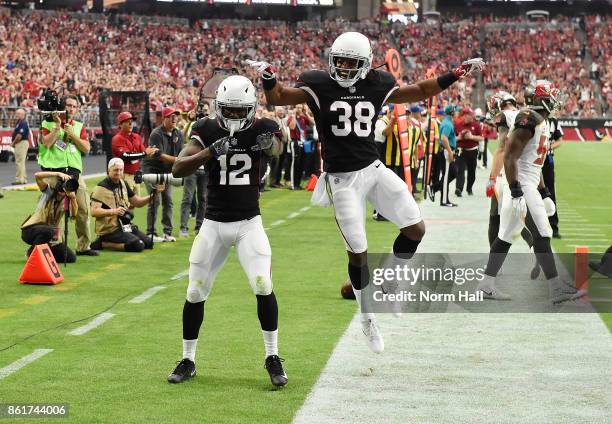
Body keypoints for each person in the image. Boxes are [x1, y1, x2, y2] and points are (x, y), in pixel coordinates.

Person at [248, 31, 485, 353]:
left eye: (351, 62)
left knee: (415, 228)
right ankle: (367, 317)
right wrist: (268, 77)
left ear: (366, 64)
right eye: (339, 61)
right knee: (358, 251)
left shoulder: (378, 82)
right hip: (341, 178)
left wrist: (454, 74)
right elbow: (278, 97)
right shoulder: (318, 83)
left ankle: (390, 279)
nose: (344, 68)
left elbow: (418, 90)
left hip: (372, 169)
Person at [168, 75, 287, 387]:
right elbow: (179, 168)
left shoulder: (262, 127)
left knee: (262, 284)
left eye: (239, 110)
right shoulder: (206, 129)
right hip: (214, 222)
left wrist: (271, 144)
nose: (234, 116)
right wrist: (210, 152)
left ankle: (273, 356)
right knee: (194, 291)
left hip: (249, 222)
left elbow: (276, 147)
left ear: (250, 108)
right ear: (218, 107)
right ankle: (188, 359)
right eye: (228, 110)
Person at [477, 80, 585, 304]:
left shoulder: (540, 121)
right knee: (543, 234)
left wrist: (544, 191)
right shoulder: (529, 118)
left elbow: (536, 162)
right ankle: (556, 289)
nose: (553, 101)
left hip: (528, 181)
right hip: (522, 185)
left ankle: (486, 284)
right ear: (539, 99)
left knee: (505, 236)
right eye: (549, 97)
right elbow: (509, 156)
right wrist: (516, 190)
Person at [39, 95, 97, 256]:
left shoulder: (78, 126)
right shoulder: (47, 123)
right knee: (54, 212)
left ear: (77, 109)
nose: (71, 108)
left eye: (74, 106)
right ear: (62, 107)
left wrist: (72, 136)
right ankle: (55, 245)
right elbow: (47, 143)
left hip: (75, 173)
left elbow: (86, 148)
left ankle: (84, 246)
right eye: (68, 105)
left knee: (84, 209)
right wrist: (58, 127)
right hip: (55, 172)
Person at [90, 158, 163, 252]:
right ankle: (102, 243)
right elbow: (94, 211)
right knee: (138, 245)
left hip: (124, 226)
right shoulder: (101, 188)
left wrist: (154, 194)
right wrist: (113, 211)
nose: (119, 172)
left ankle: (108, 242)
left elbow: (137, 202)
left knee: (149, 243)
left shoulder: (123, 184)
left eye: (121, 170)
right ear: (109, 170)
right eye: (116, 170)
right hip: (110, 230)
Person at [142, 106, 183, 242]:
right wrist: (177, 160)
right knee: (155, 199)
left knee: (168, 200)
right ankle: (151, 233)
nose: (174, 118)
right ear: (164, 118)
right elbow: (159, 155)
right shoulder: (156, 134)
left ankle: (167, 232)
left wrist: (178, 160)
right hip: (153, 171)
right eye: (171, 116)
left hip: (167, 172)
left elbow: (179, 153)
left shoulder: (178, 134)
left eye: (176, 116)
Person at [21, 171, 78, 263]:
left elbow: (74, 215)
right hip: (31, 230)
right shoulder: (48, 191)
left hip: (53, 235)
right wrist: (57, 174)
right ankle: (31, 254)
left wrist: (73, 198)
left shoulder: (67, 199)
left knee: (70, 258)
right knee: (48, 231)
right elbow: (37, 175)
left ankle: (45, 256)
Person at [111, 111, 158, 196]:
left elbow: (144, 155)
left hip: (136, 175)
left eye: (131, 121)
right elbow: (126, 156)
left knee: (134, 204)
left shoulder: (137, 137)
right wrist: (144, 153)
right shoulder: (117, 138)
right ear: (120, 125)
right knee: (124, 204)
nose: (130, 123)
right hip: (123, 175)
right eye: (127, 121)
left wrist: (151, 153)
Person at [179, 109, 207, 237]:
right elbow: (182, 137)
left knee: (203, 199)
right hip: (192, 168)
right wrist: (190, 122)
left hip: (204, 168)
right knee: (187, 198)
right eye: (202, 112)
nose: (203, 114)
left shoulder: (209, 126)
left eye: (206, 112)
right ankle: (183, 227)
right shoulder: (190, 125)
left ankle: (200, 227)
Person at [429, 105, 458, 207]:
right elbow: (444, 138)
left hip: (447, 150)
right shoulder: (447, 124)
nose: (456, 113)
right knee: (446, 176)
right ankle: (444, 200)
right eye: (455, 111)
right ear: (452, 113)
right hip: (446, 151)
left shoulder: (447, 122)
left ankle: (434, 188)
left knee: (453, 173)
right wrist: (450, 152)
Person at [455, 107, 483, 197]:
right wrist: (459, 137)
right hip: (461, 151)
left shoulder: (476, 125)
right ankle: (459, 188)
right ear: (464, 116)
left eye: (471, 115)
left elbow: (482, 138)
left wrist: (472, 137)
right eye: (468, 115)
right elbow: (452, 138)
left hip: (472, 151)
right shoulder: (458, 125)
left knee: (472, 172)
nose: (471, 117)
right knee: (460, 170)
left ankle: (469, 188)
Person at [543, 115, 563, 239]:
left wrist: (549, 147)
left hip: (547, 161)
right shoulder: (530, 117)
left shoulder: (553, 121)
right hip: (532, 161)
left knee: (550, 193)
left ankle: (553, 226)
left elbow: (559, 140)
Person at [11, 108, 30, 185]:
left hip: (21, 143)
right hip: (21, 143)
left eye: (18, 114)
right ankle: (23, 178)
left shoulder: (23, 123)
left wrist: (13, 143)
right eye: (16, 114)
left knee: (19, 162)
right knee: (21, 162)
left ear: (23, 115)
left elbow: (19, 135)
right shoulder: (20, 122)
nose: (16, 115)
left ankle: (20, 179)